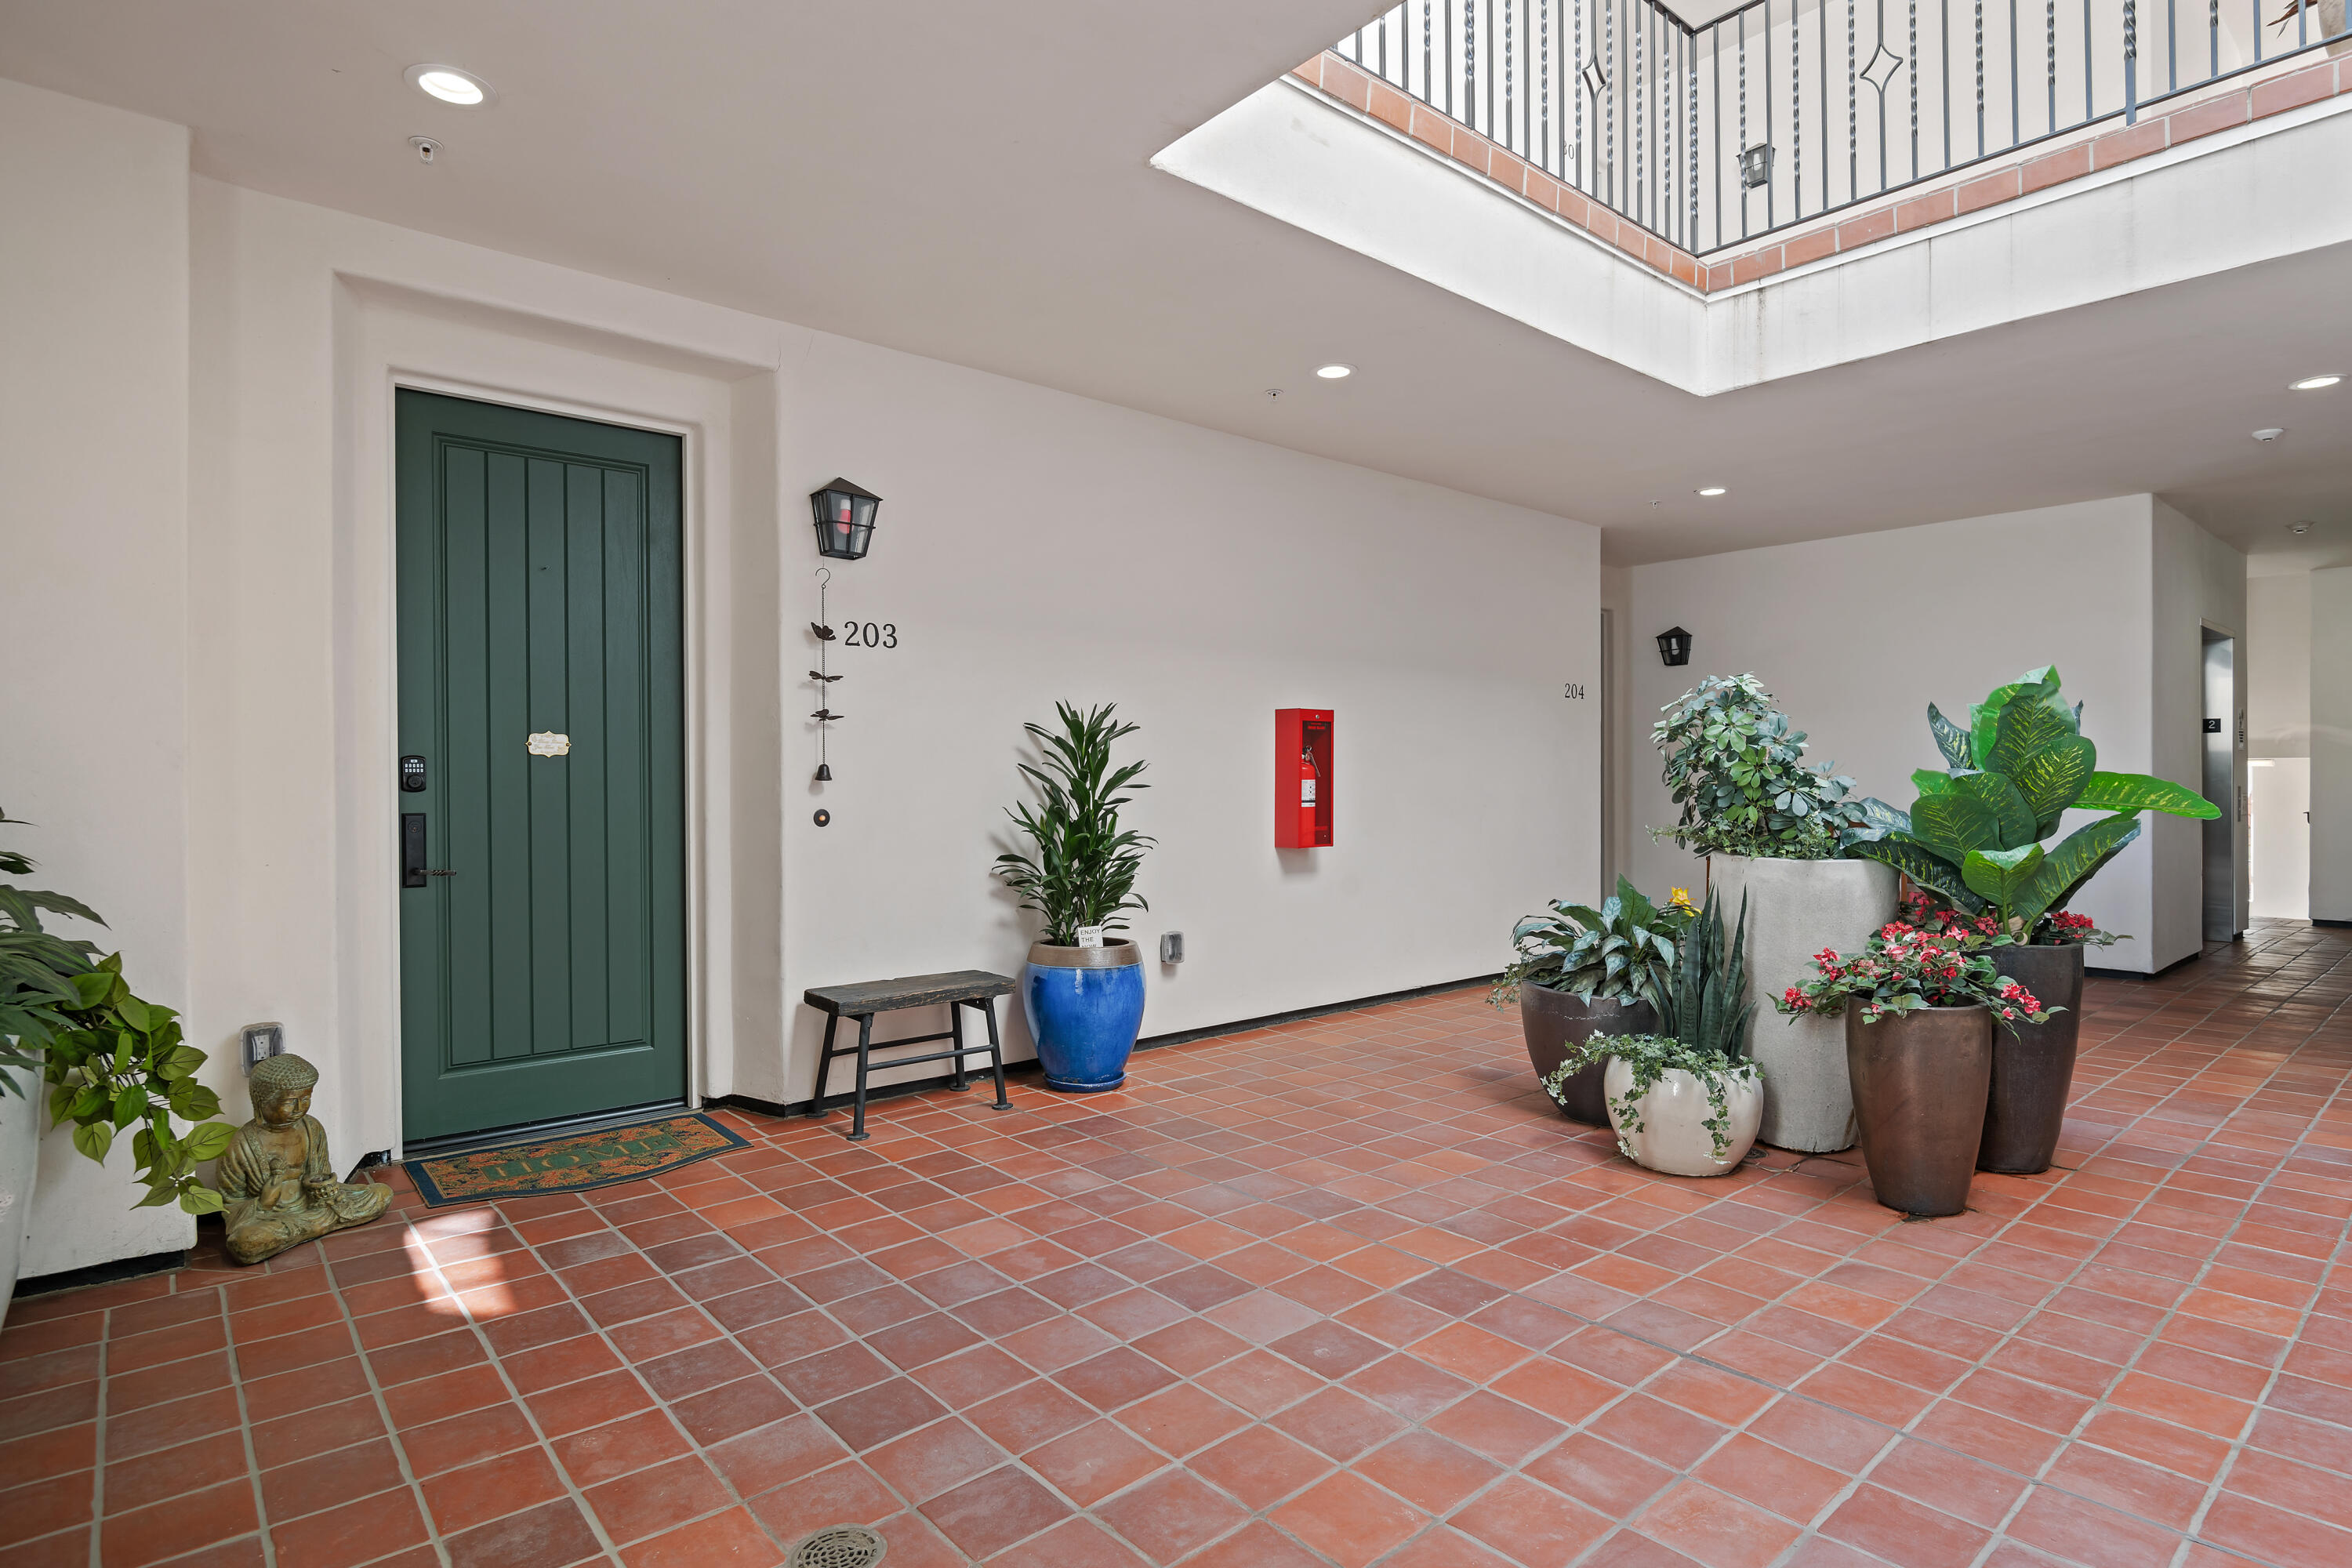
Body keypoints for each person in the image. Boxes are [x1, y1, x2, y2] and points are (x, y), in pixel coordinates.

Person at [217, 1054, 390, 1265]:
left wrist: (327, 1189)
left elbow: (322, 1175)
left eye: (306, 1099)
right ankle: (318, 1228)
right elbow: (231, 1203)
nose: (300, 1109)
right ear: (262, 1100)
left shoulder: (312, 1128)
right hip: (273, 1218)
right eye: (290, 1102)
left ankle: (312, 1229)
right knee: (244, 1243)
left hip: (317, 1207)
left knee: (382, 1194)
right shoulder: (240, 1144)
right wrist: (263, 1203)